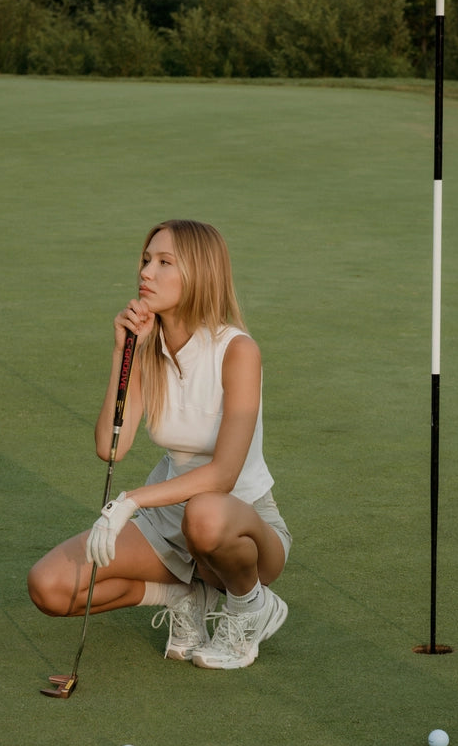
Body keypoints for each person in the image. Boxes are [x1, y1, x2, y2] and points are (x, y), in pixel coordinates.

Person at [27, 219, 291, 670]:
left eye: (164, 262)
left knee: (204, 513)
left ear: (200, 274)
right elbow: (111, 448)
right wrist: (123, 352)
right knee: (49, 586)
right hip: (165, 525)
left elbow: (224, 474)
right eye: (147, 260)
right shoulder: (149, 347)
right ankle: (184, 595)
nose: (146, 272)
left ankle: (250, 607)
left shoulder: (237, 350)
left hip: (239, 525)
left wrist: (130, 500)